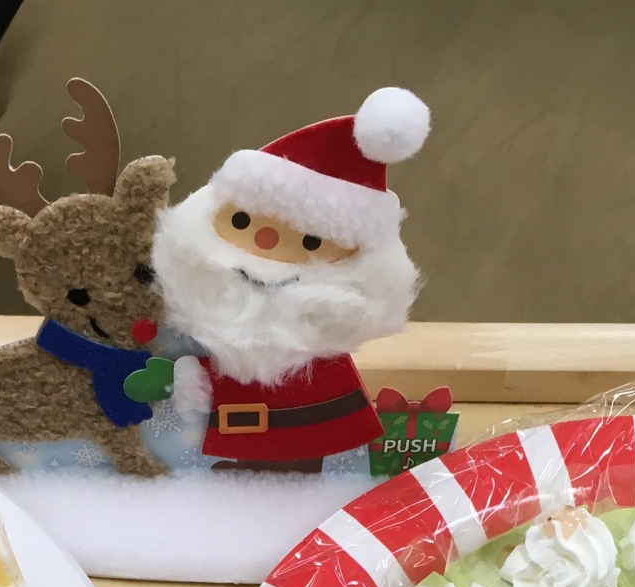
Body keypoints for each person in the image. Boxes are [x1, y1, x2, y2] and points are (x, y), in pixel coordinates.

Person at [152, 87, 431, 473]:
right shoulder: (193, 318)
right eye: (241, 222)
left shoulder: (322, 341)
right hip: (215, 451)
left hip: (322, 423)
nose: (264, 256)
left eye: (311, 243)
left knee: (316, 441)